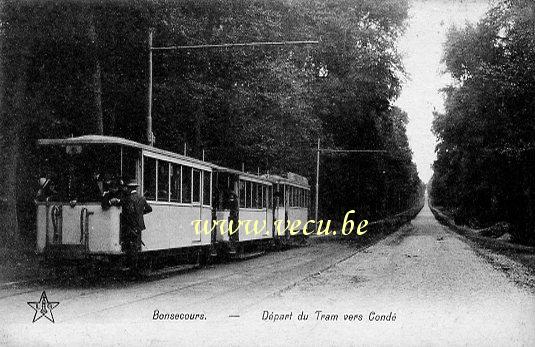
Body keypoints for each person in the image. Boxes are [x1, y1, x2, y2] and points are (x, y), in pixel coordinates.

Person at [121, 179, 152, 273]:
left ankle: (133, 269)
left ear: (129, 188)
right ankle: (136, 269)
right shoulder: (142, 198)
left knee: (131, 248)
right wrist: (141, 214)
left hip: (130, 225)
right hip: (139, 225)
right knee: (136, 246)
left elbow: (128, 212)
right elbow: (149, 209)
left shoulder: (128, 199)